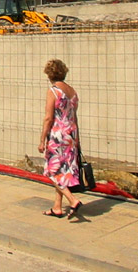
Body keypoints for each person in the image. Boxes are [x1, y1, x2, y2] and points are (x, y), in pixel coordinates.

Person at [38, 58, 83, 219]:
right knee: (63, 170)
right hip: (71, 134)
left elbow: (49, 118)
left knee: (52, 171)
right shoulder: (72, 92)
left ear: (49, 74)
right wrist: (76, 139)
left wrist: (42, 139)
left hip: (58, 136)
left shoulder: (54, 91)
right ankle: (57, 207)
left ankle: (73, 200)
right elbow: (74, 116)